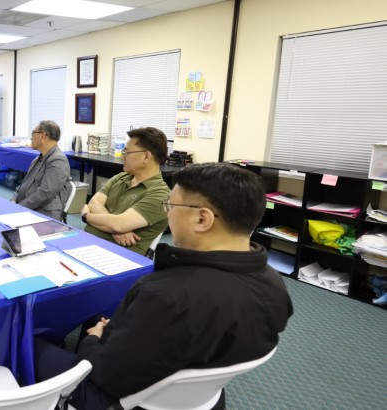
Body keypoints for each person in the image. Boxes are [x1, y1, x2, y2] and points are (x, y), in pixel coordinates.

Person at [33, 163, 293, 410]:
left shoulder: (167, 295)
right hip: (202, 398)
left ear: (202, 219)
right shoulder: (274, 285)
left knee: (28, 345)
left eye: (171, 205)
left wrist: (92, 340)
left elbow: (106, 373)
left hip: (114, 398)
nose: (167, 213)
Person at [81, 127, 171, 255]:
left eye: (127, 152)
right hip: (88, 244)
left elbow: (119, 224)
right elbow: (94, 203)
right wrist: (114, 228)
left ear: (146, 156)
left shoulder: (161, 195)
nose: (123, 156)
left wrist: (86, 216)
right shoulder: (121, 177)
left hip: (117, 257)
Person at [11, 120, 71, 220]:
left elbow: (45, 193)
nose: (31, 138)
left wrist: (19, 207)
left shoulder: (58, 160)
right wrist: (13, 200)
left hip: (43, 213)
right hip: (27, 208)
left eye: (33, 133)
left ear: (43, 135)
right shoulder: (37, 159)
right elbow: (24, 184)